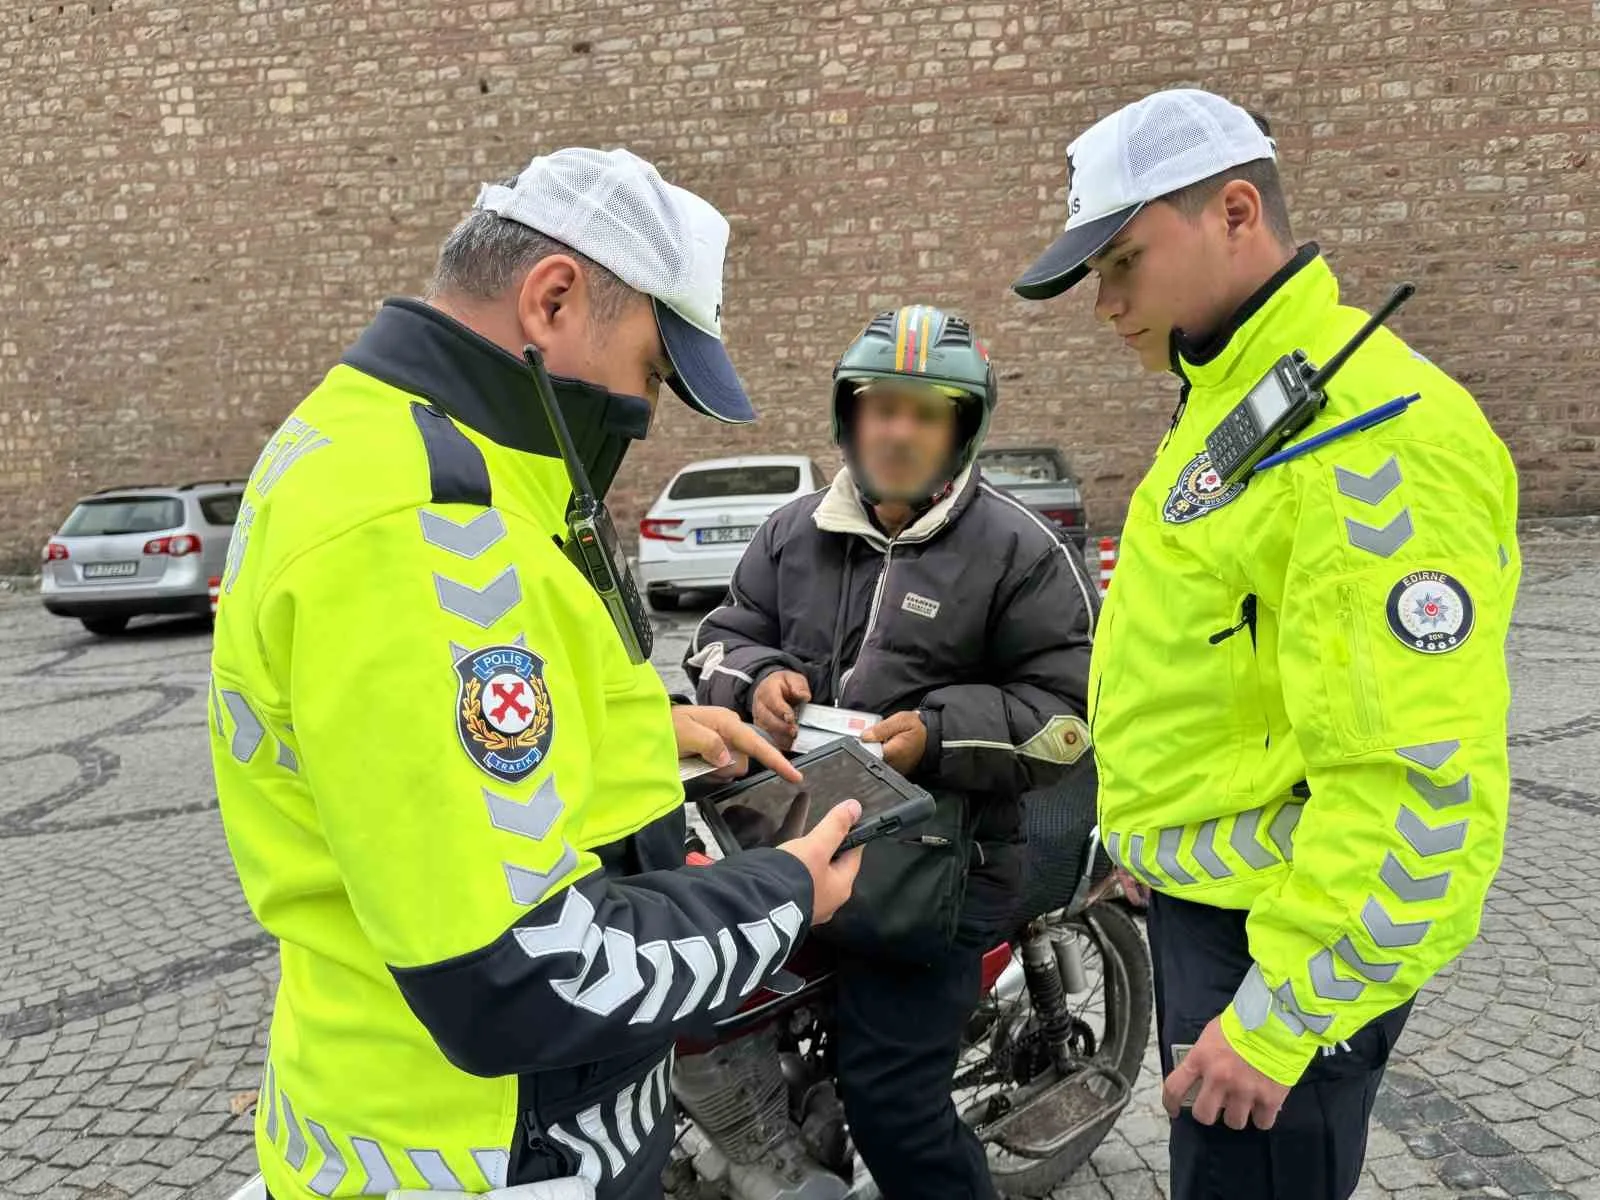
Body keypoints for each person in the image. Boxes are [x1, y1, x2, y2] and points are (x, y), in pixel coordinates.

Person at [209, 147, 865, 1200]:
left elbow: (409, 755)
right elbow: (521, 973)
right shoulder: (424, 524)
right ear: (554, 298)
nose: (643, 416)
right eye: (651, 373)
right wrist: (788, 893)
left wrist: (649, 734)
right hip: (485, 1153)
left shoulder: (367, 439)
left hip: (410, 1108)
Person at [1013, 89, 1519, 1199]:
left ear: (1234, 211)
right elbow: (1217, 671)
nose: (1105, 306)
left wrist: (1283, 1018)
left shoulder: (1370, 438)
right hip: (1223, 909)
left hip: (1283, 947)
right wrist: (1155, 837)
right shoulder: (1239, 396)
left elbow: (1416, 777)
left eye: (1121, 263)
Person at [684, 304, 1097, 1199]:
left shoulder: (1021, 550)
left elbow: (1067, 715)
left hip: (937, 881)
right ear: (850, 416)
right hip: (793, 844)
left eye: (927, 410)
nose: (899, 430)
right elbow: (718, 638)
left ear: (963, 425)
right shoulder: (791, 531)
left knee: (892, 1103)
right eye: (880, 407)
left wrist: (938, 735)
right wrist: (754, 682)